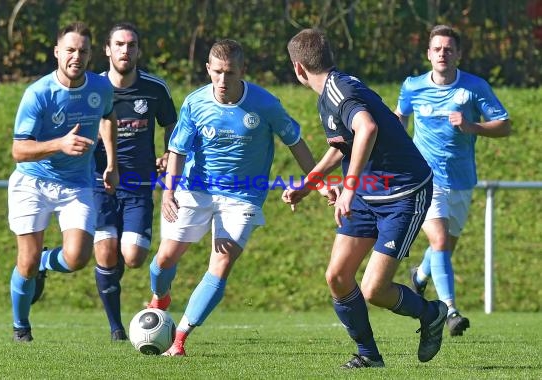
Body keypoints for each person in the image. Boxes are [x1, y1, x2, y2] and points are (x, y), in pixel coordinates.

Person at [285, 28, 448, 369]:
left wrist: (348, 186)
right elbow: (342, 145)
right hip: (367, 193)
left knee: (375, 290)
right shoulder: (331, 91)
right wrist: (308, 184)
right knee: (338, 277)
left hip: (404, 193)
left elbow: (367, 128)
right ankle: (369, 356)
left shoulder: (339, 92)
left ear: (298, 69)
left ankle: (430, 312)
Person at [146, 39, 317, 356]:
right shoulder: (195, 103)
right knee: (163, 262)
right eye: (218, 72)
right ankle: (161, 296)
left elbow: (295, 141)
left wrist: (318, 182)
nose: (223, 80)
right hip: (195, 188)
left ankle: (180, 339)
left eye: (230, 72)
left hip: (243, 196)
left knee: (221, 263)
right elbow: (178, 151)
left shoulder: (265, 104)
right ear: (208, 69)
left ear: (243, 71)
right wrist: (168, 193)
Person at [394, 25, 511, 337]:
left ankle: (419, 275)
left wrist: (473, 127)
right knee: (441, 241)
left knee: (444, 247)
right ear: (429, 54)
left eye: (448, 49)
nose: (442, 53)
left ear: (458, 54)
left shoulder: (474, 87)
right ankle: (449, 310)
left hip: (461, 180)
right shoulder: (413, 86)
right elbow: (400, 117)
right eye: (437, 49)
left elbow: (504, 125)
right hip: (424, 178)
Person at [8, 21, 118, 342]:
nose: (76, 56)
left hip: (77, 184)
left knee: (77, 258)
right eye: (70, 50)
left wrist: (110, 162)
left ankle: (46, 261)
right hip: (33, 183)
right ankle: (21, 326)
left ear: (90, 55)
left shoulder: (100, 88)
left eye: (82, 51)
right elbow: (19, 150)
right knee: (25, 264)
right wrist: (59, 144)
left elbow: (108, 116)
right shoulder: (38, 94)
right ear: (57, 52)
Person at [92, 22, 177, 341]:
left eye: (131, 45)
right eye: (119, 44)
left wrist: (169, 153)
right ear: (107, 49)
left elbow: (173, 126)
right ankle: (116, 327)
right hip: (98, 182)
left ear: (138, 50)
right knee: (106, 252)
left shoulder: (155, 88)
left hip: (139, 183)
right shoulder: (92, 88)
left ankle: (115, 276)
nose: (125, 50)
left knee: (133, 257)